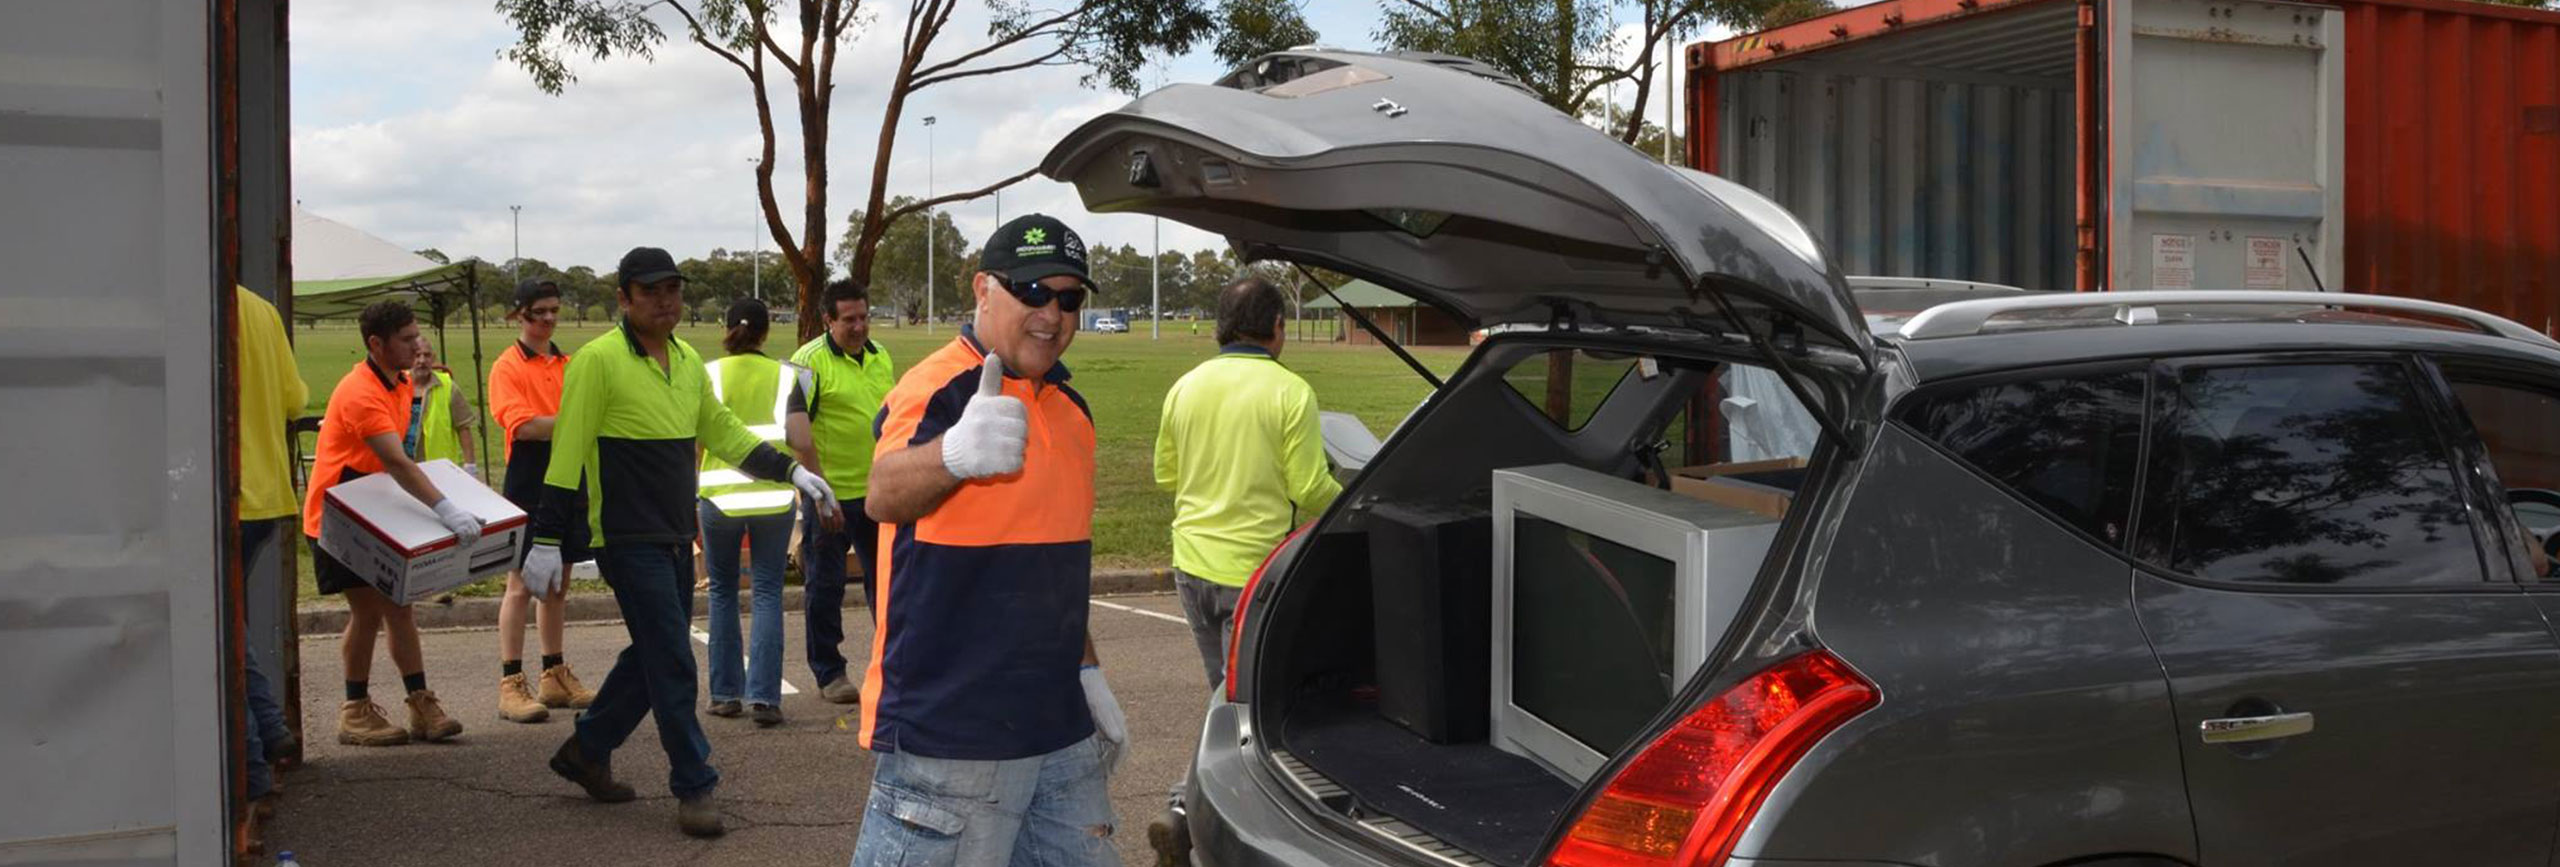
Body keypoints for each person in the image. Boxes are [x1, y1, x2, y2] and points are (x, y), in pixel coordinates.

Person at [527, 247, 838, 838]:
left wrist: (790, 470)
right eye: (650, 292)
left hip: (675, 533)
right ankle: (695, 784)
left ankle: (587, 749)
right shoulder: (596, 362)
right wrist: (546, 537)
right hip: (624, 537)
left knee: (652, 652)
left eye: (672, 290)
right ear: (624, 299)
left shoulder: (689, 359)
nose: (664, 301)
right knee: (672, 658)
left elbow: (721, 430)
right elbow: (567, 450)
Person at [848, 215, 1129, 866]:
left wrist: (1087, 670)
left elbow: (1057, 568)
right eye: (1032, 291)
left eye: (1069, 299)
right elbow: (883, 492)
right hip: (953, 731)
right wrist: (953, 453)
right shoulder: (942, 387)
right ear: (982, 288)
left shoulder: (1072, 411)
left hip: (1057, 728)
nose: (1051, 314)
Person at [1145, 276, 1344, 861]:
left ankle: (1187, 810)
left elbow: (1166, 474)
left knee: (1224, 697)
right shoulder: (1289, 391)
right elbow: (1309, 487)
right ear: (1278, 328)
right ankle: (1197, 811)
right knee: (1246, 709)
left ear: (1220, 327)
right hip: (1252, 570)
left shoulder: (1185, 386)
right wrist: (1355, 500)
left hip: (1191, 564)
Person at [302, 300, 479, 747]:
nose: (417, 345)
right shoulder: (361, 391)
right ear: (376, 344)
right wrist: (448, 510)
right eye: (406, 339)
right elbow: (398, 462)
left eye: (417, 335)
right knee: (368, 611)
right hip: (338, 518)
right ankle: (354, 711)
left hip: (374, 510)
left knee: (400, 607)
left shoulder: (399, 384)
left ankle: (421, 704)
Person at [487, 278, 597, 724]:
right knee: (521, 584)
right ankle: (511, 681)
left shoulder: (571, 362)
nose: (549, 318)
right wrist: (578, 421)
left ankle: (554, 673)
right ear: (518, 315)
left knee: (558, 584)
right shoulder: (506, 367)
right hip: (530, 475)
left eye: (554, 309)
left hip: (571, 472)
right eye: (539, 312)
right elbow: (524, 426)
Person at [786, 279, 895, 706]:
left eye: (864, 317)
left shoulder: (880, 355)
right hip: (829, 496)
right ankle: (830, 672)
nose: (858, 327)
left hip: (877, 492)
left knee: (886, 583)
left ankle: (891, 664)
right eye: (848, 319)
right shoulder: (806, 363)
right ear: (827, 319)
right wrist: (819, 492)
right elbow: (797, 434)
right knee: (825, 585)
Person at [699, 296, 800, 727]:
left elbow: (695, 441)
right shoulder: (785, 376)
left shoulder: (709, 374)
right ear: (765, 332)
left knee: (721, 592)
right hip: (774, 497)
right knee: (767, 592)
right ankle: (764, 698)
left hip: (719, 498)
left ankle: (724, 694)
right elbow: (800, 436)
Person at [234, 285, 306, 814]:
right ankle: (271, 734)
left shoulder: (198, 300)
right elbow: (294, 399)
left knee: (221, 641)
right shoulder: (260, 309)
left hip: (228, 497)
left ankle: (255, 771)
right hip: (268, 495)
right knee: (230, 631)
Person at [402, 341, 477, 472]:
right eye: (417, 355)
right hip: (402, 467)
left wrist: (470, 466)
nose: (422, 360)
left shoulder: (448, 386)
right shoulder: (396, 384)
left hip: (438, 470)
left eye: (427, 355)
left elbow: (464, 427)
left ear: (434, 358)